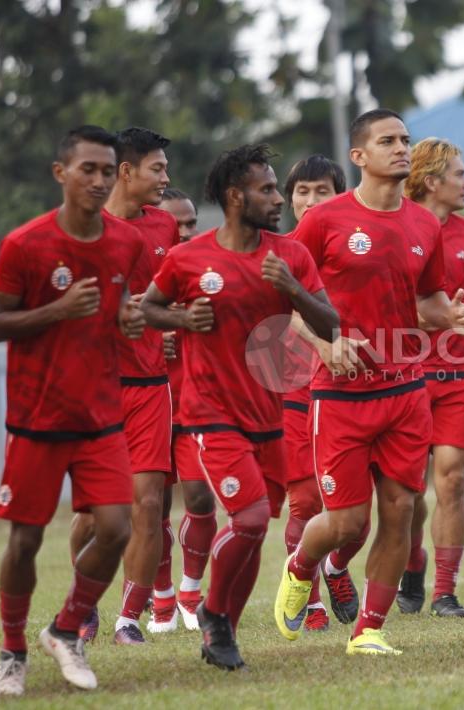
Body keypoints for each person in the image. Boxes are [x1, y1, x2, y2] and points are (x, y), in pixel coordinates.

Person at [274, 109, 464, 656]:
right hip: (339, 397)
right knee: (344, 522)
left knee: (401, 509)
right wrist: (325, 345)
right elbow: (286, 301)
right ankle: (299, 567)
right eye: (387, 141)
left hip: (406, 391)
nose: (401, 148)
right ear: (358, 156)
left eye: (405, 140)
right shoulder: (323, 221)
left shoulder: (423, 224)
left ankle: (368, 630)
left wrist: (455, 315)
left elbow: (428, 304)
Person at [142, 143, 338, 670]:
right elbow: (148, 309)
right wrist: (183, 322)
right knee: (248, 519)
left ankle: (218, 624)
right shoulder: (189, 258)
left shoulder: (289, 256)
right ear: (235, 197)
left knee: (255, 532)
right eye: (267, 189)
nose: (279, 198)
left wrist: (293, 288)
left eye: (277, 188)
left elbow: (332, 324)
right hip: (210, 416)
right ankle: (211, 612)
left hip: (270, 419)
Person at [0, 125, 145, 696]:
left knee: (116, 528)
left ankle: (66, 628)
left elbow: (124, 306)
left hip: (101, 415)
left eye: (108, 171)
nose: (100, 181)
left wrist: (129, 317)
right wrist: (55, 310)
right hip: (37, 420)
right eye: (88, 170)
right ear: (61, 173)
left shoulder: (126, 242)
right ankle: (11, 653)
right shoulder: (24, 244)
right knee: (24, 542)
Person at [67, 127, 180, 644]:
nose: (165, 177)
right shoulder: (85, 227)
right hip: (99, 389)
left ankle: (128, 619)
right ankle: (83, 601)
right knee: (96, 515)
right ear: (128, 172)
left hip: (153, 385)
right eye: (157, 168)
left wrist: (174, 322)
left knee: (149, 503)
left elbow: (167, 298)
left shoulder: (164, 227)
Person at [398, 138, 464, 617]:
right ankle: (411, 565)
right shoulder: (394, 225)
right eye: (459, 174)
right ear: (432, 181)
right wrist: (439, 317)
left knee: (452, 480)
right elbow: (380, 307)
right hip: (405, 372)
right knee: (408, 491)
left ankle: (445, 591)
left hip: (458, 371)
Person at [281, 154, 350, 632]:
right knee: (305, 499)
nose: (309, 201)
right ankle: (309, 599)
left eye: (320, 191)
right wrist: (321, 345)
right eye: (301, 192)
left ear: (340, 195)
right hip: (296, 385)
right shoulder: (281, 250)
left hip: (357, 389)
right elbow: (283, 310)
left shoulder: (358, 246)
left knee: (354, 508)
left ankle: (336, 567)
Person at [150, 186, 215, 632]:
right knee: (151, 508)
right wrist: (154, 334)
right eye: (178, 223)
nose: (186, 231)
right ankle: (162, 599)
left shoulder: (207, 270)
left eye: (192, 222)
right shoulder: (138, 270)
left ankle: (191, 591)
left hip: (196, 405)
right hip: (149, 404)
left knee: (200, 499)